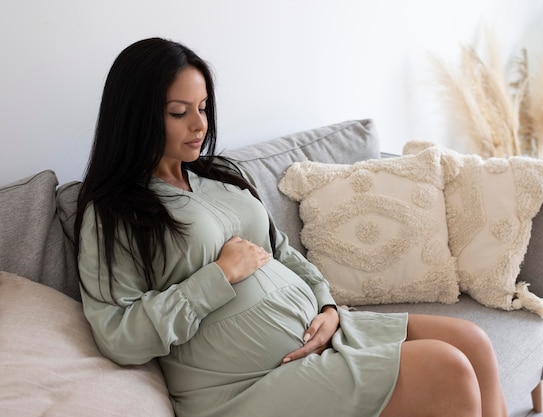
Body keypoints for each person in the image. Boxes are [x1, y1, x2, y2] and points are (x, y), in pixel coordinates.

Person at [75, 37, 508, 417]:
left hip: (321, 333)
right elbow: (118, 336)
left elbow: (281, 251)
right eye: (178, 112)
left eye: (203, 107)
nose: (200, 124)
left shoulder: (219, 176)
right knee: (444, 369)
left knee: (472, 342)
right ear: (136, 116)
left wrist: (327, 306)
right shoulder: (114, 211)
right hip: (245, 385)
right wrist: (219, 275)